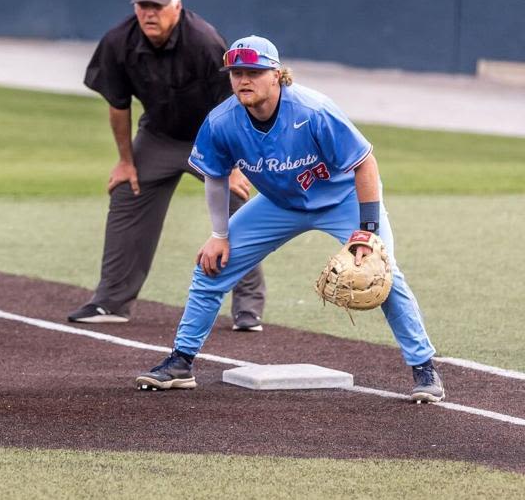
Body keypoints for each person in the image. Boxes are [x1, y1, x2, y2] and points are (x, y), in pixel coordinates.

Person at [134, 35, 445, 403]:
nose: (243, 79)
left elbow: (365, 163)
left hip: (340, 199)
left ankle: (424, 367)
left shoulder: (313, 111)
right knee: (211, 267)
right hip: (279, 203)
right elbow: (216, 176)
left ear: (277, 75)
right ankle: (181, 363)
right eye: (236, 72)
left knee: (382, 271)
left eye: (253, 71)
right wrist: (219, 234)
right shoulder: (222, 122)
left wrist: (368, 231)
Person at [68, 0, 267, 331]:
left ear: (176, 6)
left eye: (157, 6)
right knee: (127, 191)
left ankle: (247, 308)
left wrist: (238, 165)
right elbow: (118, 104)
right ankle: (111, 301)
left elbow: (236, 103)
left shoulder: (205, 42)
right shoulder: (119, 42)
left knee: (237, 205)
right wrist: (126, 162)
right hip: (159, 136)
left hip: (211, 138)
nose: (149, 13)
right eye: (143, 5)